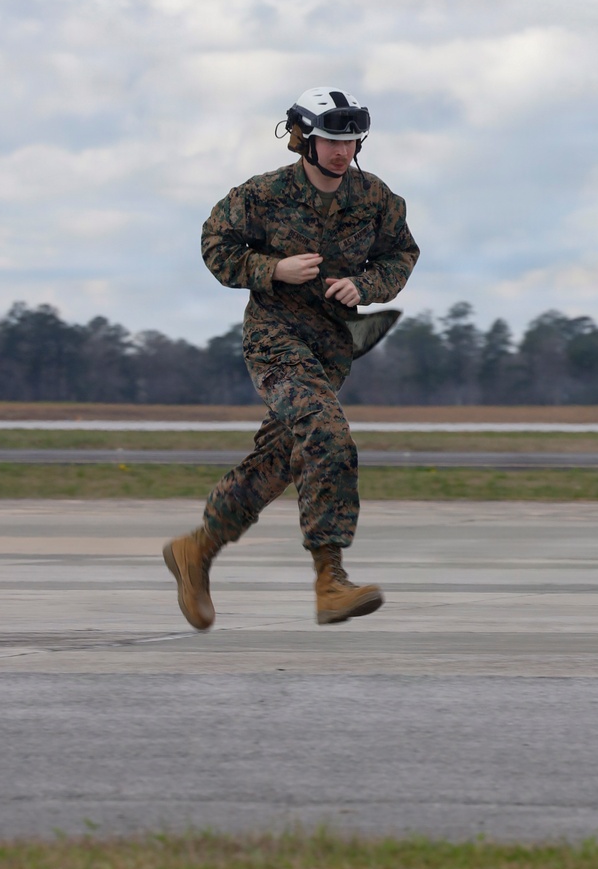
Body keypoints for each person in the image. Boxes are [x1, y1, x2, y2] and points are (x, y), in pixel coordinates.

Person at [163, 87, 419, 627]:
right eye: (330, 140)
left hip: (330, 351)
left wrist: (365, 284)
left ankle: (197, 550)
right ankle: (331, 579)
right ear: (304, 138)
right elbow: (216, 244)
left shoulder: (375, 198)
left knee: (278, 461)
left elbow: (402, 253)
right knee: (327, 434)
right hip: (275, 340)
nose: (341, 152)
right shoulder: (263, 195)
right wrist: (271, 270)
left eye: (350, 141)